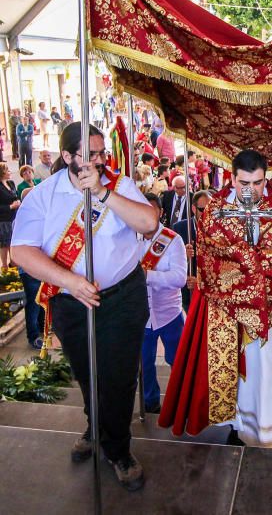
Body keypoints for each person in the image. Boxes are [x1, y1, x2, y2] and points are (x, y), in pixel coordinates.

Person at [11, 122, 157, 492]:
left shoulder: (118, 184)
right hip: (71, 301)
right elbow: (21, 251)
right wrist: (70, 282)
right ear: (67, 156)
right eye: (88, 154)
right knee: (88, 372)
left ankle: (119, 450)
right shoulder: (43, 196)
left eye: (101, 153)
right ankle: (96, 425)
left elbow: (148, 222)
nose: (97, 160)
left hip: (123, 297)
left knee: (119, 377)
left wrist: (104, 194)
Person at [159, 149, 272, 448]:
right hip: (230, 312)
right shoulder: (215, 210)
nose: (250, 191)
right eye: (244, 183)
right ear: (232, 178)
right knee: (238, 372)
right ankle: (238, 423)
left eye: (257, 183)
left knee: (269, 373)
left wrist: (259, 281)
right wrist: (251, 278)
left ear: (265, 178)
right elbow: (210, 262)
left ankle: (269, 428)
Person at [140, 194, 186, 414]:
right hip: (140, 315)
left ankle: (181, 400)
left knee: (177, 361)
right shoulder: (128, 238)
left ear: (160, 212)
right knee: (144, 364)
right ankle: (150, 402)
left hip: (169, 314)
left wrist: (146, 276)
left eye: (152, 209)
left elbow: (179, 278)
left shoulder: (173, 239)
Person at [173, 189, 212, 313]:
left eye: (211, 209)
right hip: (188, 291)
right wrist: (183, 256)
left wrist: (200, 282)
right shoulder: (180, 228)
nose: (207, 213)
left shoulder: (219, 230)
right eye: (202, 209)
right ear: (194, 209)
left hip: (210, 291)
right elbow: (172, 261)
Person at [0, 163, 20, 272]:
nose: (9, 172)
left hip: (14, 217)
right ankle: (4, 267)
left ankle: (14, 264)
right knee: (5, 243)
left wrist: (18, 202)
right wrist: (11, 206)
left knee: (13, 242)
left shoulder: (11, 183)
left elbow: (15, 195)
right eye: (7, 170)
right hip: (3, 219)